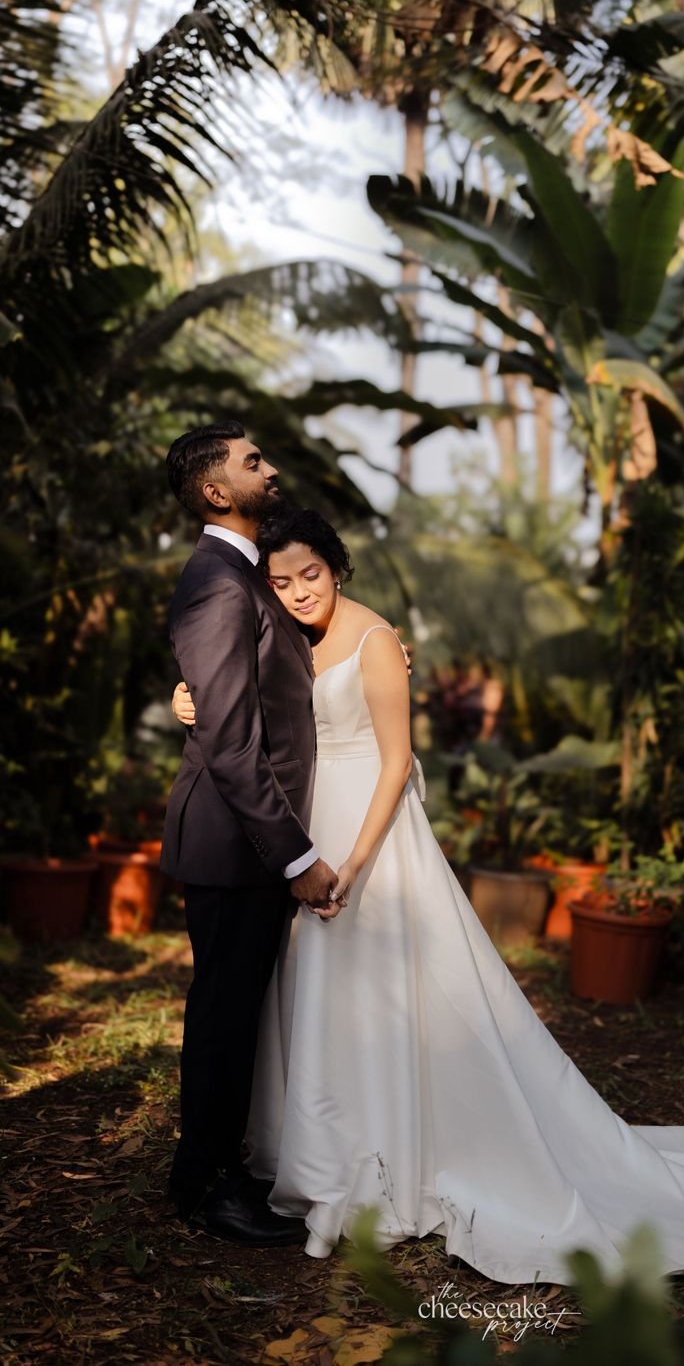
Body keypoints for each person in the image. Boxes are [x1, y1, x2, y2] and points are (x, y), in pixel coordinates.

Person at [171, 502, 684, 1285]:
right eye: (281, 582)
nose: (299, 591)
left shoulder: (376, 640)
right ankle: (323, 1151)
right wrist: (187, 696)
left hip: (367, 839)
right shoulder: (286, 637)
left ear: (336, 566)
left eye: (310, 573)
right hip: (308, 828)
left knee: (390, 992)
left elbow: (397, 763)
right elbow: (241, 701)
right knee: (323, 996)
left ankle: (392, 1155)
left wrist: (355, 862)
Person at [161, 422, 343, 1248]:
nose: (270, 471)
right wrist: (297, 857)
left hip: (248, 840)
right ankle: (207, 1186)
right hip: (236, 842)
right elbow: (232, 744)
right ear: (214, 491)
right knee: (224, 1017)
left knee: (234, 1013)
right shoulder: (218, 584)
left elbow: (266, 676)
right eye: (252, 462)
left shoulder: (244, 576)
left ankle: (210, 1171)